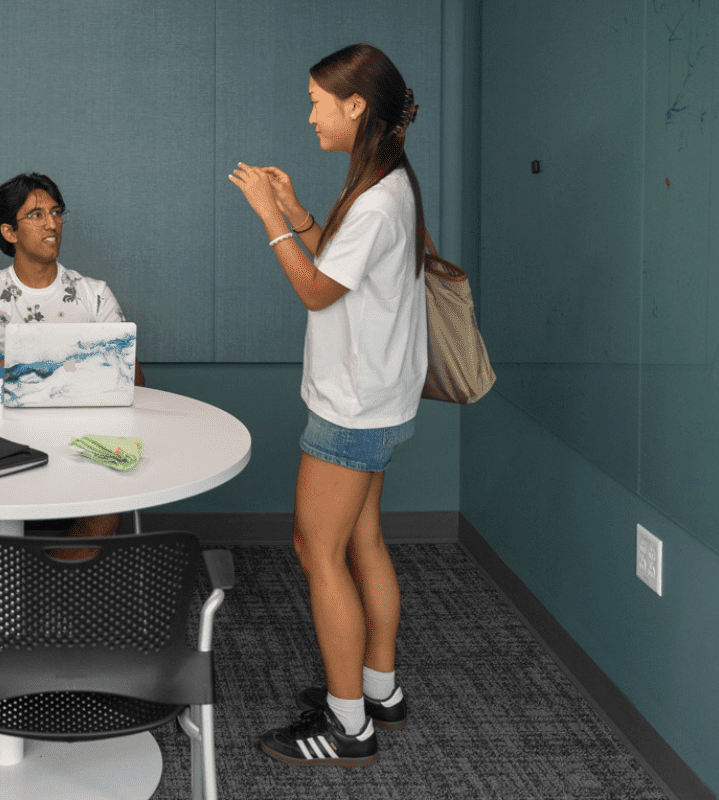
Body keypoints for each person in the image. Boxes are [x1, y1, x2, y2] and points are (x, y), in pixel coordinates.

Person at [228, 43, 430, 766]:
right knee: (363, 542)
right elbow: (340, 270)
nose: (309, 113)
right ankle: (380, 691)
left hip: (351, 409)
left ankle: (349, 728)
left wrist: (266, 218)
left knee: (319, 552)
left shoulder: (377, 199)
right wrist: (298, 211)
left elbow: (315, 289)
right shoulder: (387, 183)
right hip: (380, 399)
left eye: (318, 101)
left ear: (355, 106)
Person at [0, 173, 143, 542]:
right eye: (36, 215)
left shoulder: (95, 295)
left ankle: (53, 581)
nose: (52, 223)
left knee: (108, 511)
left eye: (56, 212)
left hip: (80, 433)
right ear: (10, 232)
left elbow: (134, 377)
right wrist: (20, 369)